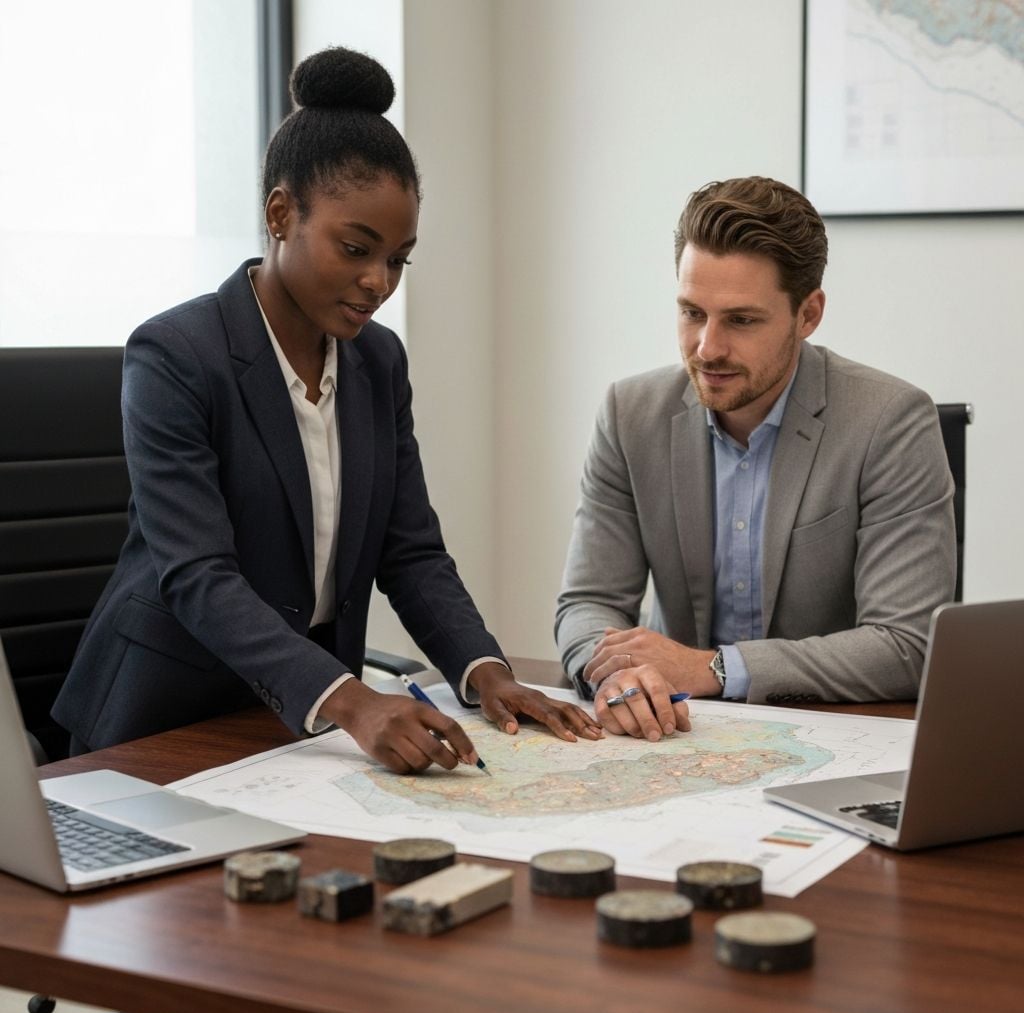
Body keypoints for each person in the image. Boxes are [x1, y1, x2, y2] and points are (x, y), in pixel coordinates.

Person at [54, 46, 600, 772]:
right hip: (163, 722)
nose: (379, 281)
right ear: (281, 214)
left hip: (301, 731)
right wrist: (352, 700)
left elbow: (410, 551)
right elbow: (197, 575)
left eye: (398, 258)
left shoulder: (378, 361)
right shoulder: (176, 355)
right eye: (355, 248)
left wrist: (485, 672)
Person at [555, 176, 955, 743]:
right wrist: (616, 676)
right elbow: (588, 602)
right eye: (692, 312)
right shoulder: (630, 413)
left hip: (837, 738)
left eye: (741, 320)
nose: (708, 348)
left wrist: (716, 668)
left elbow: (906, 644)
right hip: (675, 738)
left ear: (808, 314)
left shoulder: (890, 421)